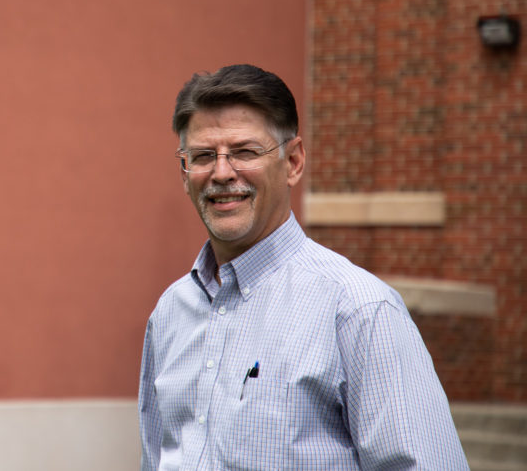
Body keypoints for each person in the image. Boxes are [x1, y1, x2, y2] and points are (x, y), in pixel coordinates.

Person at [138, 64, 469, 470]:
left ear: (293, 162)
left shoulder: (360, 312)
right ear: (185, 173)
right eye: (204, 156)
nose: (222, 172)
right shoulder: (171, 313)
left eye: (244, 152)